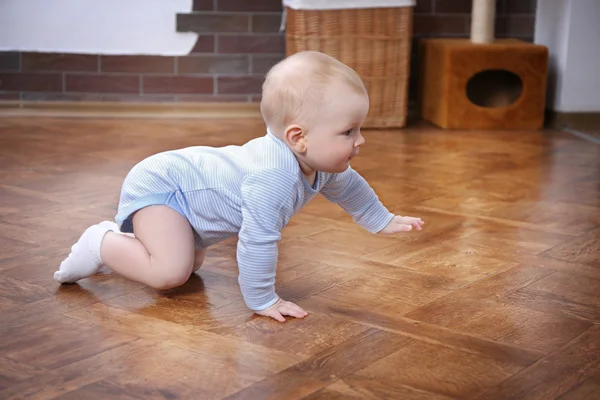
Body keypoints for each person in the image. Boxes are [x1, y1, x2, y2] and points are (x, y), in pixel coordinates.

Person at [53, 51, 424, 322]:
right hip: (166, 185)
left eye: (359, 129)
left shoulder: (318, 162)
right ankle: (100, 242)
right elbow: (257, 240)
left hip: (190, 199)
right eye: (348, 131)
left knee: (191, 261)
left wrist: (381, 219)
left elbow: (349, 188)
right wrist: (262, 300)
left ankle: (139, 246)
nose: (360, 141)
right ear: (299, 137)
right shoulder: (272, 177)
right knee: (170, 274)